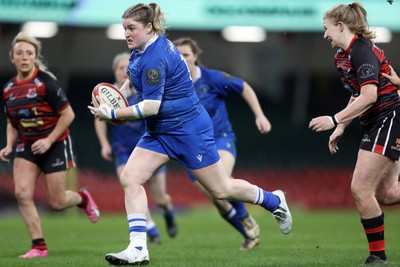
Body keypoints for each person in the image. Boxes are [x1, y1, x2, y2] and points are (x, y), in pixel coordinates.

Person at [88, 3, 292, 265]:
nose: (126, 33)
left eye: (131, 28)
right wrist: (116, 99)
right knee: (131, 177)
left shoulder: (155, 57)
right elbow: (132, 83)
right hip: (162, 131)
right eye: (124, 28)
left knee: (221, 190)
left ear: (148, 27)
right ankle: (138, 248)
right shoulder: (140, 50)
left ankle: (275, 201)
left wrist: (113, 114)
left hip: (188, 130)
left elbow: (151, 106)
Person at [309, 2, 400, 265]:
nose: (324, 34)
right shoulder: (343, 55)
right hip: (377, 121)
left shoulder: (361, 51)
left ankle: (378, 257)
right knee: (388, 194)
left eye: (326, 28)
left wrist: (334, 119)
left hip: (389, 117)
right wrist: (342, 127)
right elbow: (358, 93)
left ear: (341, 25)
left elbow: (371, 95)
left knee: (360, 188)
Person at [0, 32, 100, 259]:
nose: (24, 57)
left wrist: (48, 140)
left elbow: (68, 115)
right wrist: (8, 145)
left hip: (55, 143)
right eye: (19, 53)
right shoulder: (8, 90)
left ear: (35, 57)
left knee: (57, 202)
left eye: (29, 53)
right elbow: (11, 122)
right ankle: (39, 246)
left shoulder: (46, 83)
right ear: (12, 57)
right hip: (27, 147)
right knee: (22, 193)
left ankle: (83, 199)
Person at [172, 37, 272, 250]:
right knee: (216, 197)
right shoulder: (172, 84)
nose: (182, 58)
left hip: (220, 138)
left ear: (196, 56)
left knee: (221, 182)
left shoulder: (212, 78)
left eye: (186, 54)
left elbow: (244, 87)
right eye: (178, 55)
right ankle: (248, 233)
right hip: (191, 147)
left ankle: (248, 214)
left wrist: (259, 115)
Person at [94, 52, 177, 244]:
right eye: (120, 68)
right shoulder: (109, 93)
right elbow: (99, 120)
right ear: (114, 71)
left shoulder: (143, 90)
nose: (124, 71)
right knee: (130, 185)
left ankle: (168, 210)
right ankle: (151, 229)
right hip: (123, 148)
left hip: (149, 146)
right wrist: (104, 144)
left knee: (160, 196)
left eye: (127, 68)